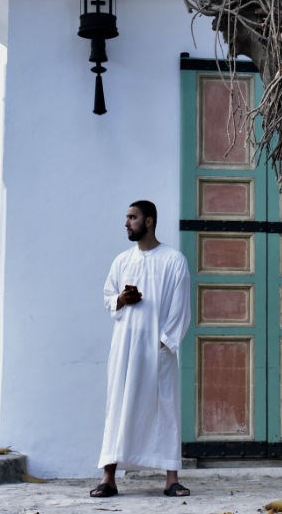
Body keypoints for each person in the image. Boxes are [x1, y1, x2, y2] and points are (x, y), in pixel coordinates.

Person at [91, 200, 192, 498]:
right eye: (127, 217)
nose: (126, 223)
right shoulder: (122, 260)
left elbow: (180, 307)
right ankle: (108, 477)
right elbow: (109, 296)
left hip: (156, 351)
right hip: (124, 348)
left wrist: (164, 343)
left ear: (149, 221)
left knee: (165, 408)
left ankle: (171, 479)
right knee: (117, 407)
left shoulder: (174, 260)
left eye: (132, 217)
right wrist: (122, 299)